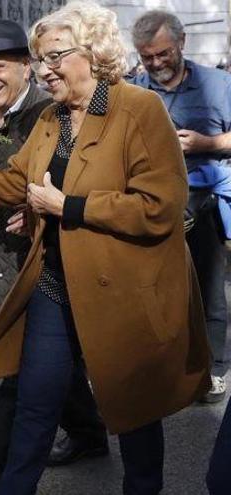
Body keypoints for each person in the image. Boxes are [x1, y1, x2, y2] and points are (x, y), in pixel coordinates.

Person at [0, 3, 211, 494]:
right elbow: (11, 181)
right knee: (35, 401)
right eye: (40, 59)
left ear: (93, 53)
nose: (44, 69)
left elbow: (160, 205)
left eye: (54, 57)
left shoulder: (139, 110)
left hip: (124, 291)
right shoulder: (52, 119)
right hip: (55, 282)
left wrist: (69, 206)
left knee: (134, 413)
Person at [0, 19, 106, 495]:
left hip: (45, 261)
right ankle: (89, 433)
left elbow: (81, 182)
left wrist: (35, 207)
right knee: (50, 365)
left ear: (25, 69)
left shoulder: (50, 112)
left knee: (20, 372)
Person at [130, 10, 231, 406]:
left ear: (182, 42)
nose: (155, 63)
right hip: (149, 206)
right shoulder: (134, 92)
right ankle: (162, 367)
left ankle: (214, 370)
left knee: (208, 291)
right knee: (151, 293)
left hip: (202, 205)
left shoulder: (219, 84)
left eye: (162, 53)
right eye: (147, 57)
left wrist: (206, 145)